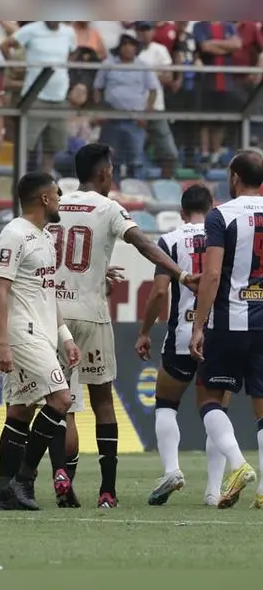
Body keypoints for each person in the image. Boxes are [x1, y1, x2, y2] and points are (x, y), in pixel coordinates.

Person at [50, 142, 198, 508]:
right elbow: (143, 243)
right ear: (104, 172)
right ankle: (107, 491)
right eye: (112, 169)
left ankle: (63, 478)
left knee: (63, 404)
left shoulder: (56, 204)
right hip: (92, 314)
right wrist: (180, 274)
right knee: (102, 401)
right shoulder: (108, 207)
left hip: (54, 316)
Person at [0, 172, 81, 511]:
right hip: (22, 333)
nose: (60, 199)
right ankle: (25, 479)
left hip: (43, 332)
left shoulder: (44, 237)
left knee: (20, 410)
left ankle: (4, 495)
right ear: (44, 199)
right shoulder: (13, 234)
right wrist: (2, 343)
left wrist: (65, 337)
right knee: (60, 398)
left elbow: (49, 293)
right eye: (57, 194)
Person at [135, 185, 228, 506]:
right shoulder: (223, 235)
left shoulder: (170, 240)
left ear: (181, 212)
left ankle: (172, 470)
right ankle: (213, 491)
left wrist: (145, 331)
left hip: (182, 336)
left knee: (165, 404)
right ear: (212, 207)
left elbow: (160, 292)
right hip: (217, 333)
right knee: (216, 409)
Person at [190, 150, 263, 509]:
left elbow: (213, 274)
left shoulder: (220, 215)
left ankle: (237, 465)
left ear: (234, 177)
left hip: (230, 320)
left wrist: (198, 325)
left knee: (208, 398)